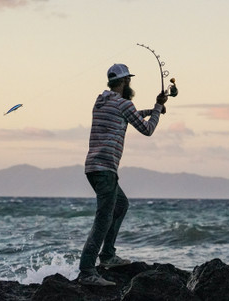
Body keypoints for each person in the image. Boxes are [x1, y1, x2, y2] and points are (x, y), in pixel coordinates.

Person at [78, 63, 167, 286]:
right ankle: (87, 271)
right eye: (129, 81)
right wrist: (157, 108)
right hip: (106, 169)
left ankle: (107, 255)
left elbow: (130, 113)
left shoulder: (101, 102)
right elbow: (147, 130)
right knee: (103, 218)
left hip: (93, 168)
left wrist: (152, 109)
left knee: (121, 205)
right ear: (124, 82)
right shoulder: (123, 103)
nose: (131, 84)